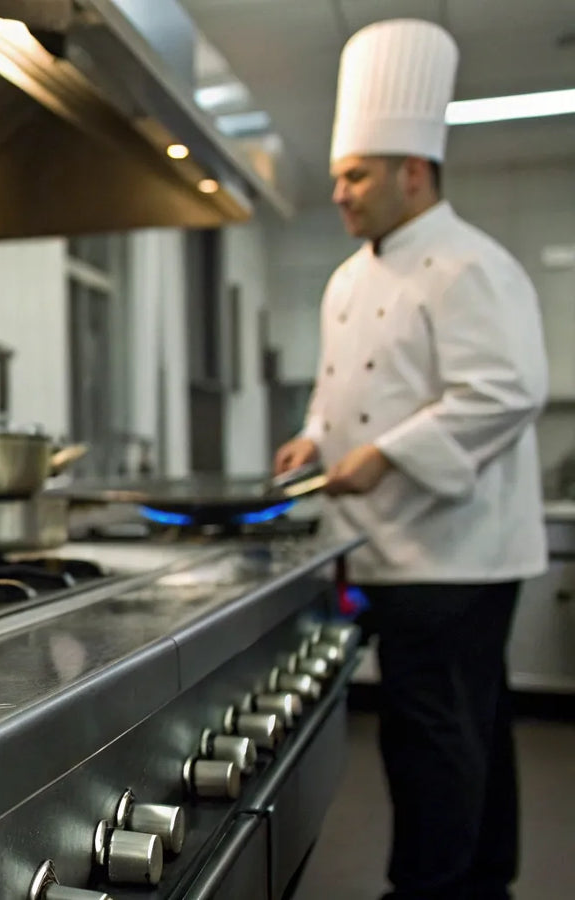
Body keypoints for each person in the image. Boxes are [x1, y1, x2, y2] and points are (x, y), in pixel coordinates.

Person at [271, 18, 549, 900]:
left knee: (433, 731)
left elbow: (505, 391)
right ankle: (482, 880)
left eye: (355, 176)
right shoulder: (349, 278)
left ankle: (430, 887)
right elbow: (336, 387)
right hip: (390, 545)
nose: (342, 194)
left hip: (457, 551)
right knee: (470, 724)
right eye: (338, 178)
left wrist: (386, 456)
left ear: (413, 172)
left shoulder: (471, 265)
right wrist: (317, 435)